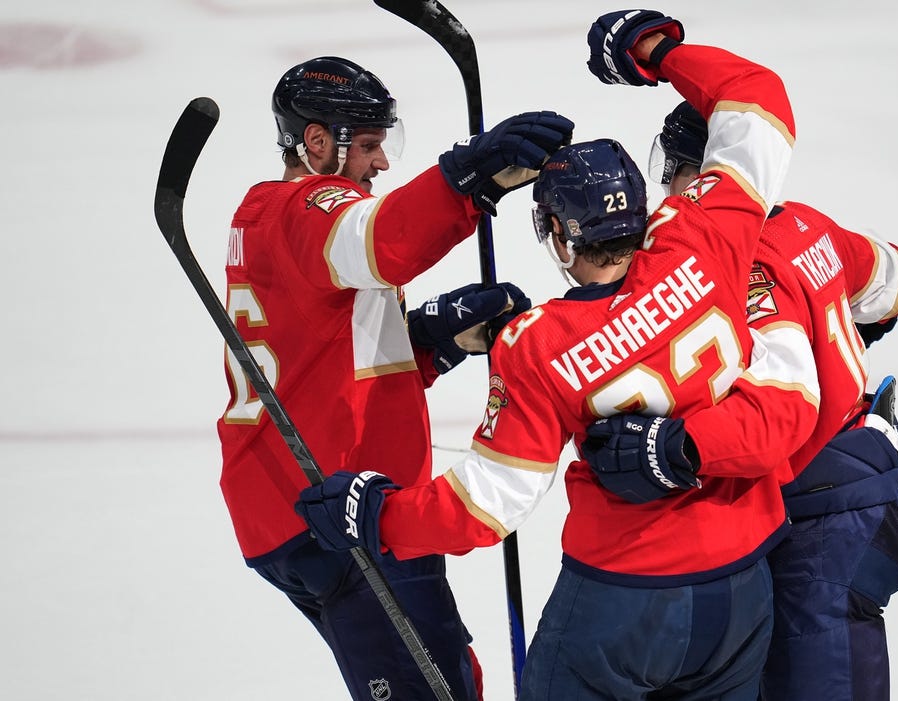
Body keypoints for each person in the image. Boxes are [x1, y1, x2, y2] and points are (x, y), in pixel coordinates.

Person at [296, 12, 824, 700]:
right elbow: (758, 101)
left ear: (556, 233)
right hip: (742, 589)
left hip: (621, 603)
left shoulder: (539, 343)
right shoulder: (702, 232)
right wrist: (660, 52)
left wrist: (378, 515)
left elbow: (487, 504)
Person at [217, 55, 573, 701]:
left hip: (280, 502)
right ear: (318, 141)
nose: (382, 163)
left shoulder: (262, 213)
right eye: (371, 145)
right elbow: (383, 241)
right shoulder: (310, 206)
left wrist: (431, 342)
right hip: (343, 508)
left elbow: (320, 356)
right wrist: (465, 180)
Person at [584, 99, 898, 700]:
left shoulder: (742, 268)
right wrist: (850, 312)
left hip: (824, 529)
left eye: (680, 171)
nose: (670, 188)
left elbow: (785, 406)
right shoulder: (808, 226)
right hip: (854, 496)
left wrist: (676, 448)